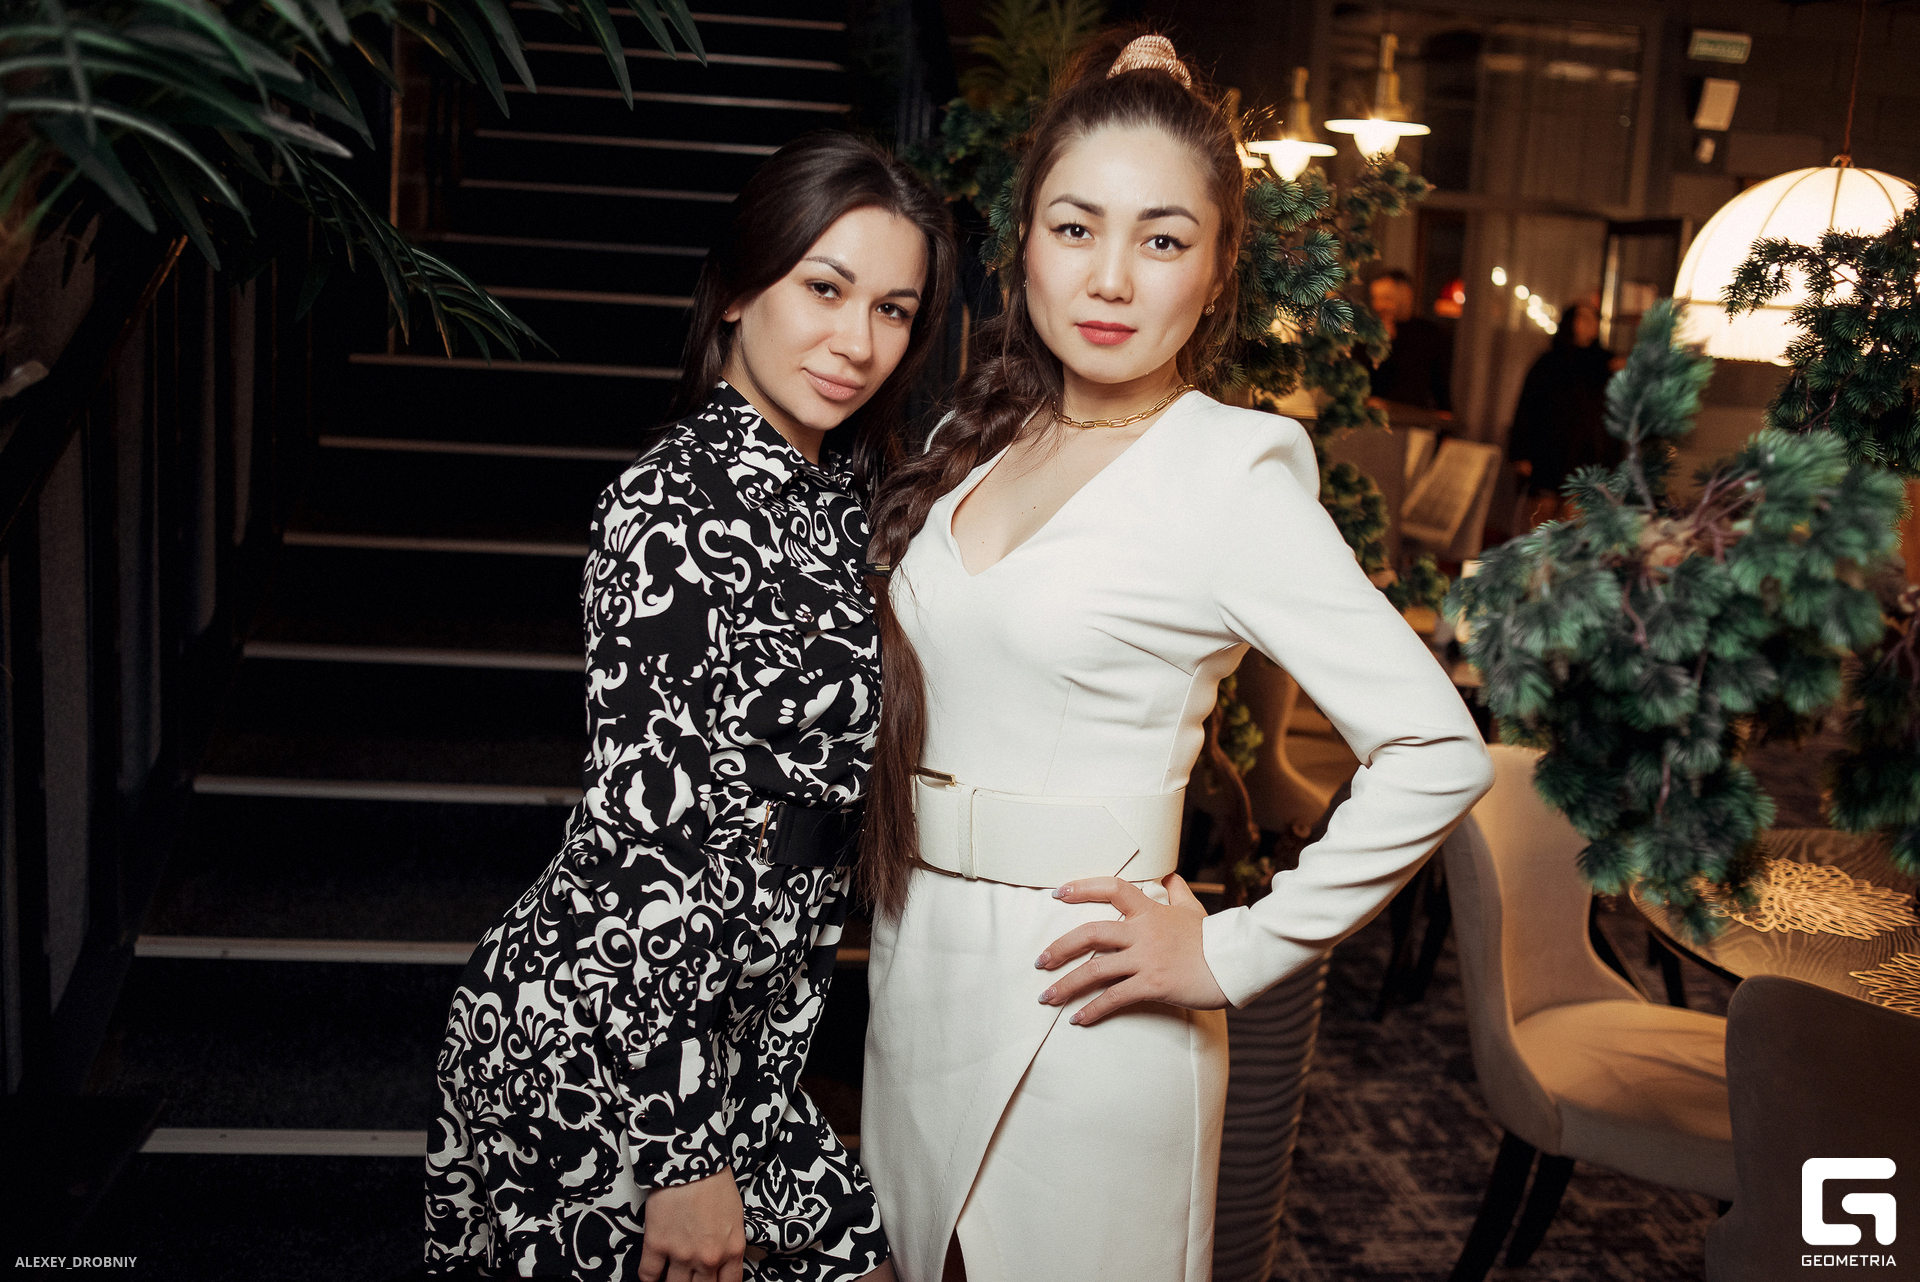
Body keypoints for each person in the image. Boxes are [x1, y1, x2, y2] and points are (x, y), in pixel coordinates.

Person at [856, 31, 1494, 1282]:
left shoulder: (1228, 474)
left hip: (1091, 997)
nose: (1109, 278)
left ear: (1216, 271)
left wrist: (1234, 948)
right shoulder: (975, 442)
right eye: (1074, 228)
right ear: (1023, 244)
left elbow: (1437, 748)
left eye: (1161, 240)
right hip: (918, 964)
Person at [424, 132, 954, 1282]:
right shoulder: (668, 507)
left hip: (746, 1041)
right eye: (824, 288)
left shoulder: (838, 489)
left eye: (893, 309)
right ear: (736, 291)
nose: (857, 342)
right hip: (615, 1033)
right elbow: (640, 847)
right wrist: (680, 1151)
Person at [1506, 299, 1619, 526]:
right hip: (1548, 451)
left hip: (1586, 454)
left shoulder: (1604, 365)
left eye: (1594, 318)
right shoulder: (1548, 362)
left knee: (1576, 518)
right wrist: (1520, 452)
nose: (1590, 323)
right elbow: (1527, 407)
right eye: (1583, 317)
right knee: (1541, 516)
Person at [1366, 267, 1453, 415]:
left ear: (1406, 296)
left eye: (1387, 298)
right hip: (1376, 419)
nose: (1379, 305)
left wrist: (1445, 416)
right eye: (1375, 298)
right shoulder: (1367, 334)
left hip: (1414, 419)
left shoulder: (1429, 334)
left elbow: (1440, 385)